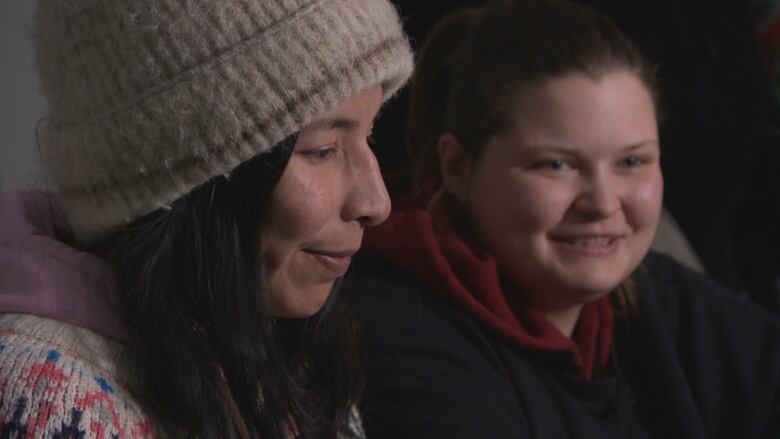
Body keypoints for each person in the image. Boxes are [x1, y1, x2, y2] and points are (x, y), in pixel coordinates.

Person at [345, 0, 780, 437]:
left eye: (632, 161)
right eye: (556, 165)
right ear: (458, 167)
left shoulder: (663, 306)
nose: (604, 203)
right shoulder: (402, 337)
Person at [0, 0, 412, 437]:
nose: (376, 202)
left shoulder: (292, 361)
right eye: (322, 150)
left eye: (369, 135)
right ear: (187, 180)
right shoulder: (51, 401)